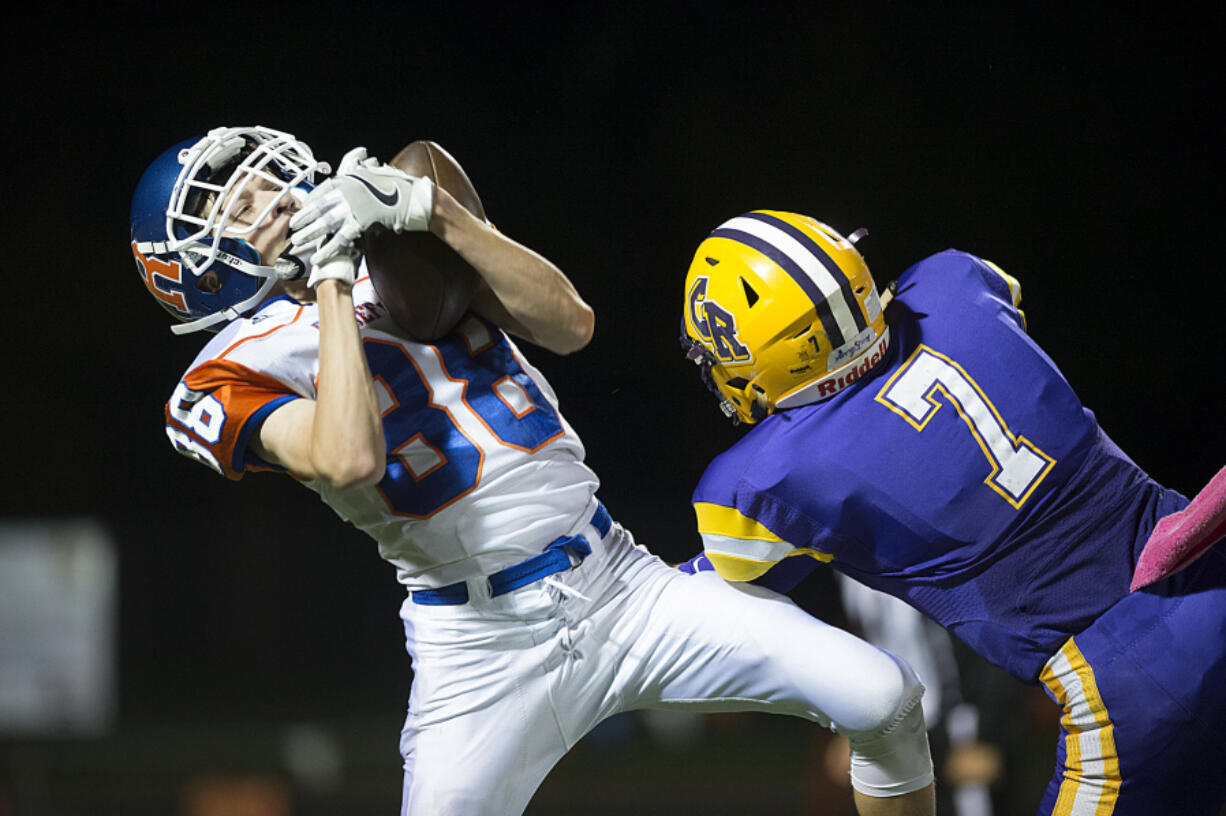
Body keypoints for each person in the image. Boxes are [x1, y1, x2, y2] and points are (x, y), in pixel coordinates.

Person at [129, 127, 936, 816]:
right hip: (477, 645)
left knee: (883, 698)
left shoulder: (397, 254)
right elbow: (349, 455)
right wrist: (334, 278)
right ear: (195, 266)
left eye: (261, 178)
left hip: (619, 583)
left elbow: (571, 324)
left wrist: (433, 214)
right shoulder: (220, 374)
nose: (268, 196)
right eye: (234, 205)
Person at [676, 210, 1226, 815]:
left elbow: (702, 602)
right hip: (1208, 563)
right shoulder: (952, 282)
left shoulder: (762, 476)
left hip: (1122, 683)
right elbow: (1001, 316)